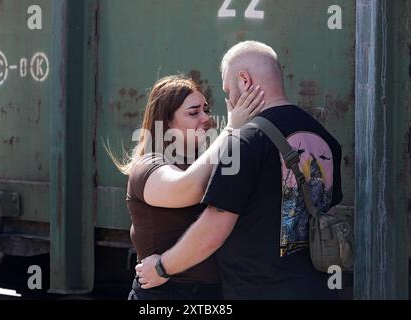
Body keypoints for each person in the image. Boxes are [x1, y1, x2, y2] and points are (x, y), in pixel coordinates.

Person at [136, 41, 343, 300]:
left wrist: (161, 267)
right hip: (316, 288)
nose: (229, 100)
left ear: (244, 80)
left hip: (259, 290)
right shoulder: (323, 136)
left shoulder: (244, 140)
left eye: (227, 89)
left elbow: (213, 230)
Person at [113, 75, 265, 300]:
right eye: (194, 113)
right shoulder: (147, 165)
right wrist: (231, 129)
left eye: (206, 109)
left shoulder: (201, 161)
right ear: (166, 122)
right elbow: (185, 189)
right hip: (167, 294)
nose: (206, 118)